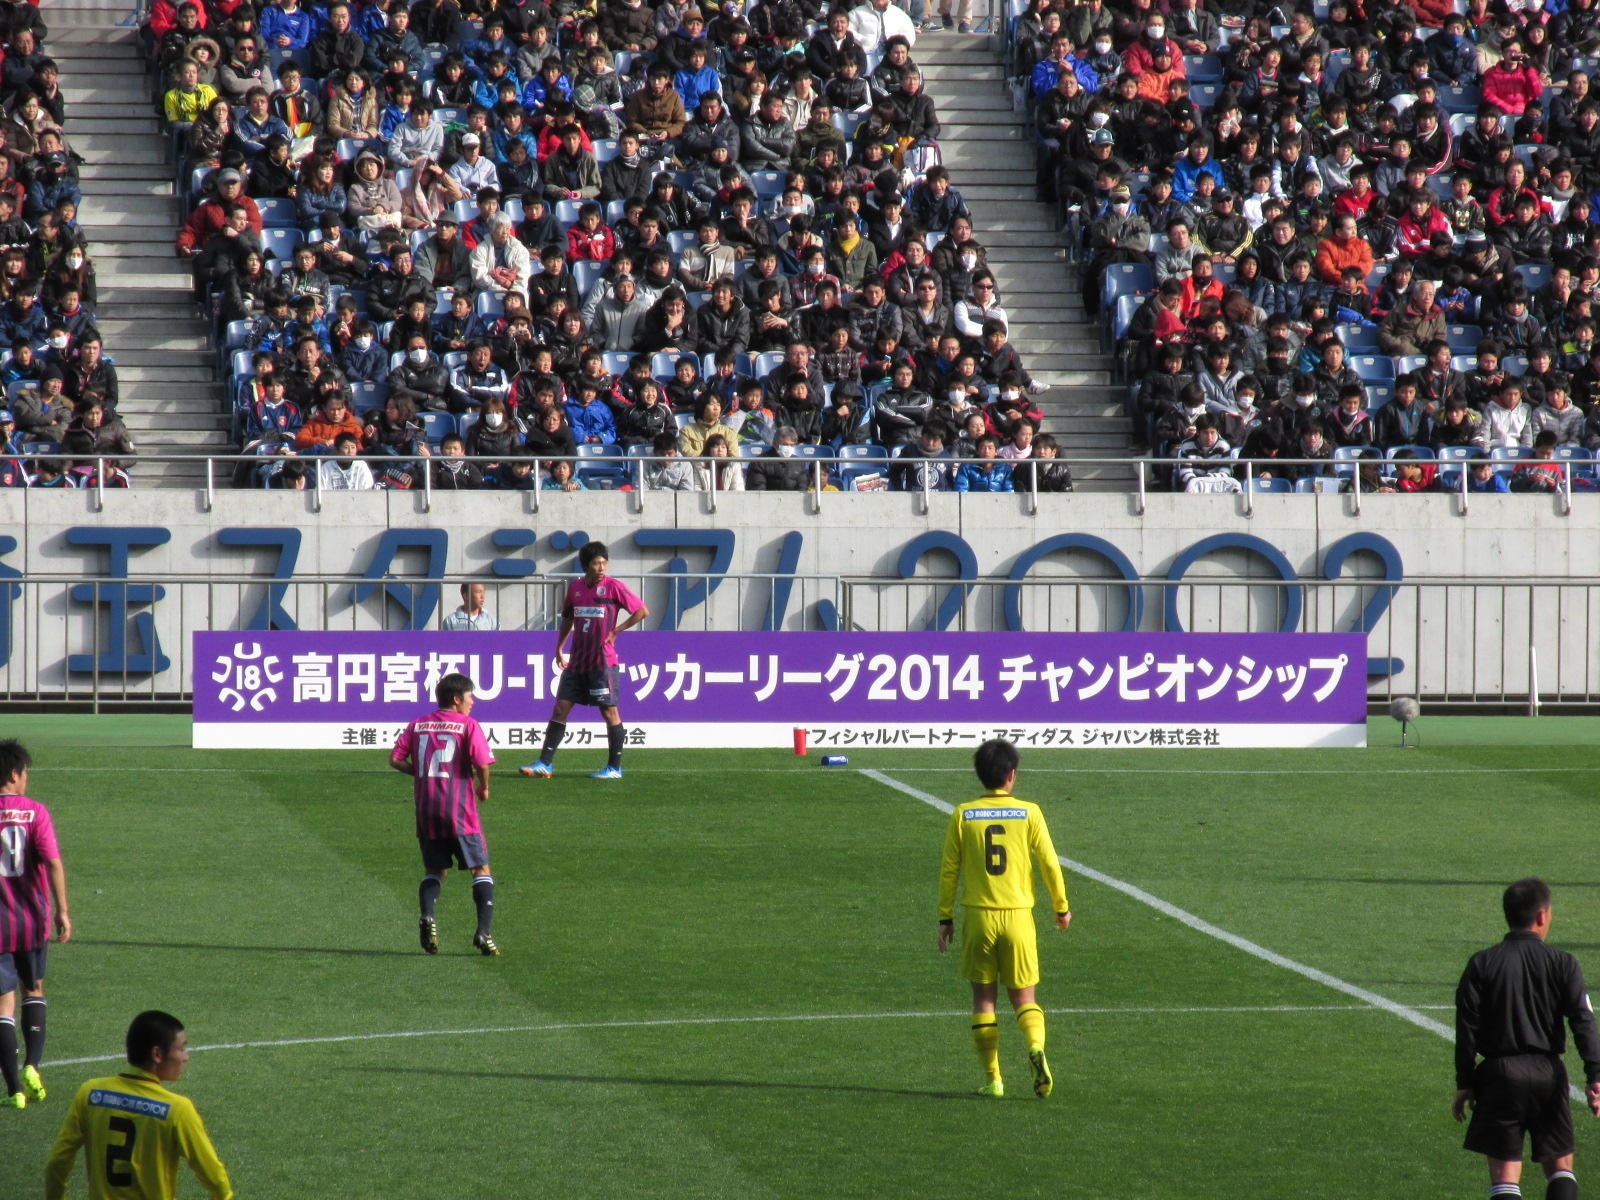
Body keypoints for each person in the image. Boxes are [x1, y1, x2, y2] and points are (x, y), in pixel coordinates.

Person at [937, 738, 1070, 1099]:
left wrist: (944, 917)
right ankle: (1035, 1047)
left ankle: (993, 1078)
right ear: (1012, 775)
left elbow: (950, 869)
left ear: (981, 776)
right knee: (1025, 998)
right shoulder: (1029, 812)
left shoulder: (964, 814)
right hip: (1018, 918)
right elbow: (1049, 862)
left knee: (984, 1000)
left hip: (979, 918)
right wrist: (1061, 906)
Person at [1454, 878, 1600, 1200]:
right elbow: (1582, 1020)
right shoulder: (1563, 962)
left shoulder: (1482, 963)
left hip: (1499, 1075)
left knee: (1506, 1176)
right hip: (1548, 1071)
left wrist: (1465, 1081)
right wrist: (1595, 1075)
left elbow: (1466, 1029)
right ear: (1542, 916)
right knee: (1561, 1168)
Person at [45, 1010, 232, 1200]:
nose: (186, 1057)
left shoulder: (90, 1093)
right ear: (157, 1054)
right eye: (182, 1049)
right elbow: (217, 1181)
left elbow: (57, 1162)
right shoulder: (177, 1110)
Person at [389, 672, 499, 956]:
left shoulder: (418, 724)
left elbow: (395, 759)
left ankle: (428, 915)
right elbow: (482, 761)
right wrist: (483, 786)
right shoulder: (467, 725)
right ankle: (484, 933)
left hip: (426, 810)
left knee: (435, 871)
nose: (472, 702)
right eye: (470, 697)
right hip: (460, 811)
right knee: (480, 870)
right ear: (456, 699)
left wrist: (422, 772)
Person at [520, 541, 649, 781]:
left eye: (604, 562)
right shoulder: (576, 589)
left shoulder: (614, 587)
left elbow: (642, 611)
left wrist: (616, 631)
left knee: (609, 711)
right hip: (578, 661)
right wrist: (560, 647)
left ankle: (614, 767)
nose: (601, 567)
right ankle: (545, 763)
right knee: (561, 707)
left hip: (603, 661)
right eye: (596, 563)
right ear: (585, 566)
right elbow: (568, 619)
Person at [0, 739, 69, 1109]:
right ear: (14, 774)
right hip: (33, 921)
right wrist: (63, 911)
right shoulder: (35, 812)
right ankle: (32, 1065)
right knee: (34, 989)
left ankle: (13, 1090)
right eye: (25, 773)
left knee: (2, 1004)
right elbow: (53, 862)